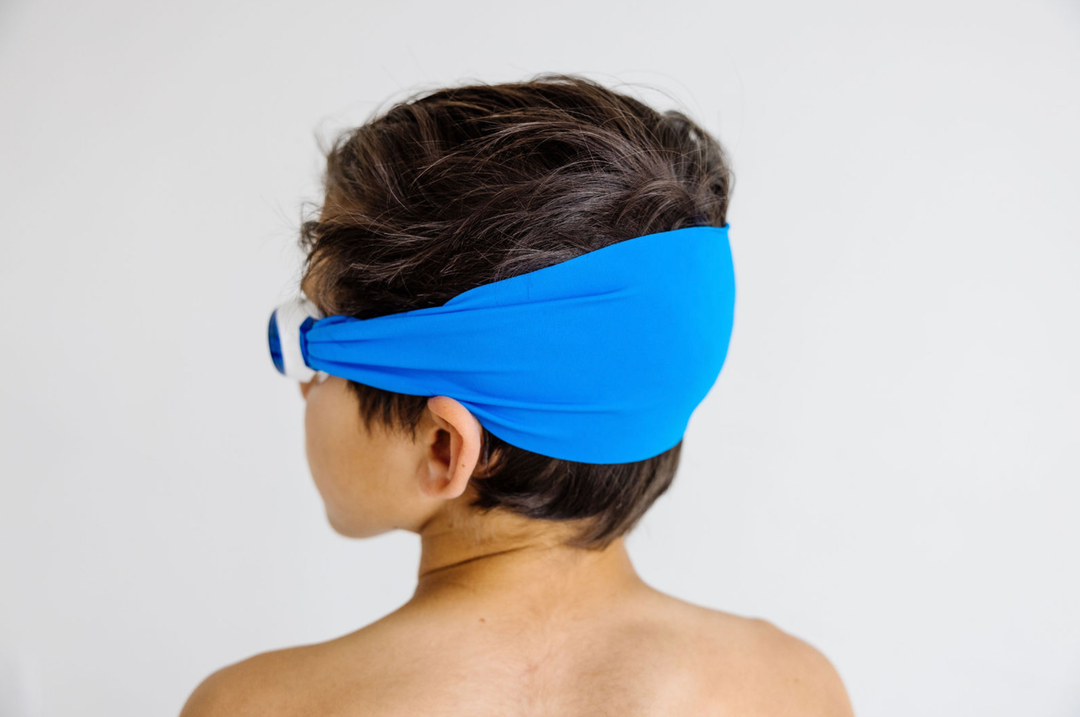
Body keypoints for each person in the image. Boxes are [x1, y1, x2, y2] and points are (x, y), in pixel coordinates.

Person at [179, 73, 855, 716]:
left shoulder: (257, 706)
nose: (303, 387)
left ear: (444, 447)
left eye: (310, 351)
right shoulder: (793, 688)